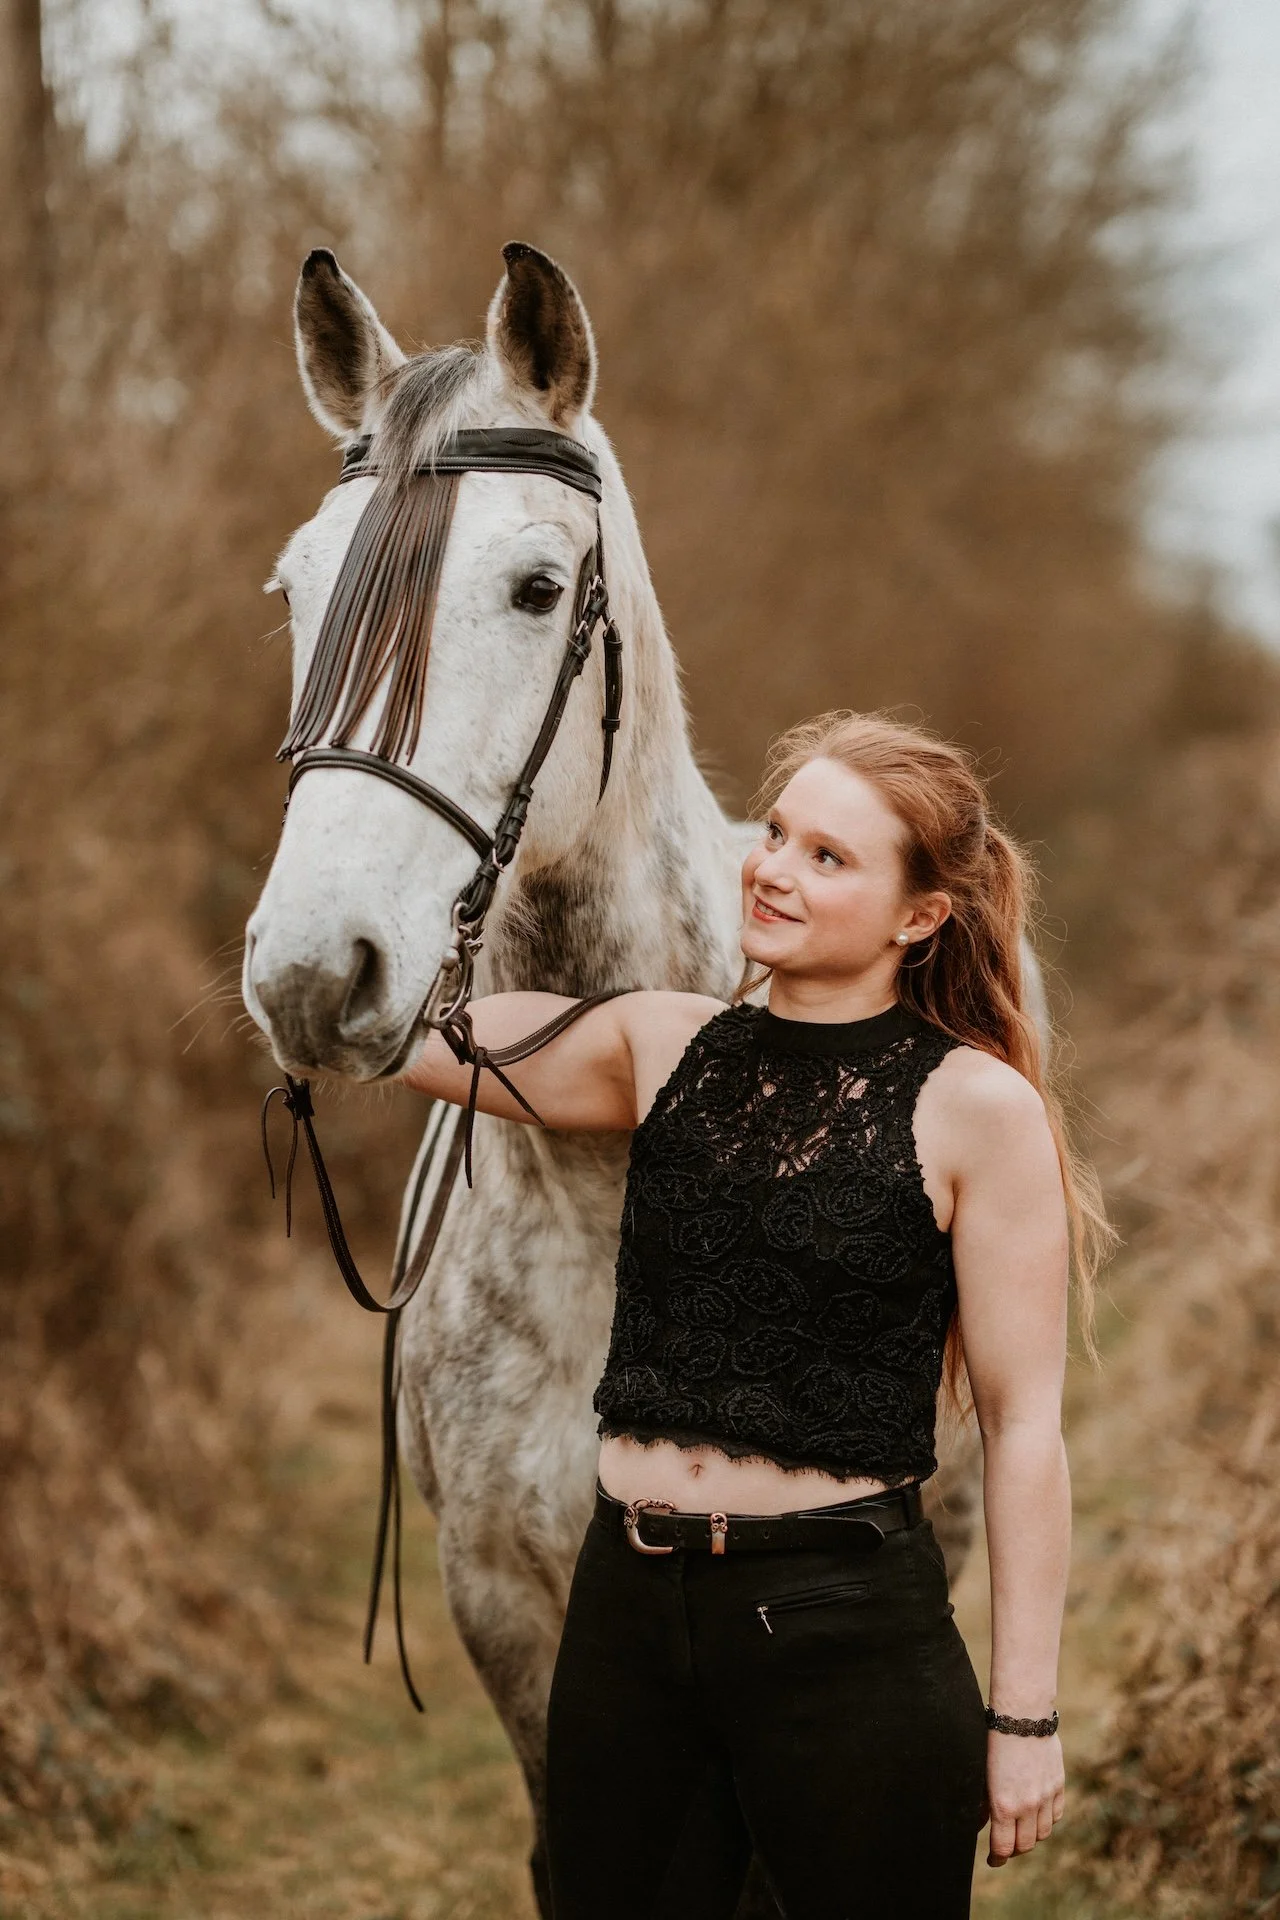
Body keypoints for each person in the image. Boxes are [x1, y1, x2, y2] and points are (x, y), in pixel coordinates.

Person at [398, 709, 1109, 1920]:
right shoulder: (658, 1043)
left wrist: (1025, 1715)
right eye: (775, 833)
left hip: (840, 1633)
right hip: (627, 1619)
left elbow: (1023, 1424)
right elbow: (401, 1029)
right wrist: (416, 827)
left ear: (918, 916)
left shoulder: (977, 1109)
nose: (772, 866)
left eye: (828, 857)